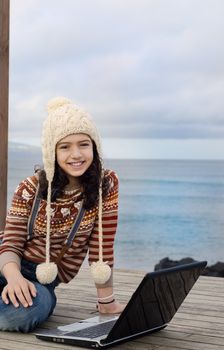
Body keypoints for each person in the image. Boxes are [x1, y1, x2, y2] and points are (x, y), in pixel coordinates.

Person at [0, 97, 124, 332]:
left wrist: (106, 302)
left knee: (25, 313)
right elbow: (11, 243)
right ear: (51, 151)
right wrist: (14, 278)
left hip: (41, 279)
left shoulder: (106, 184)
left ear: (94, 146)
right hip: (8, 264)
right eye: (65, 146)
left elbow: (102, 247)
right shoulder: (29, 188)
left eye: (84, 144)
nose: (76, 154)